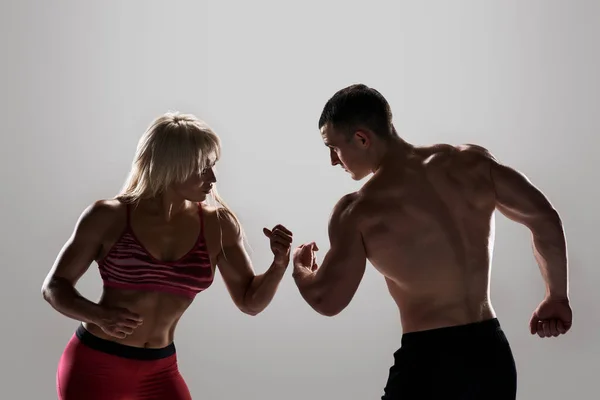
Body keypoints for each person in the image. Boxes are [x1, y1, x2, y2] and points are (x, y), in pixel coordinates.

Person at [291, 84, 572, 399]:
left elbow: (327, 300)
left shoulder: (358, 210)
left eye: (333, 147)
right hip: (490, 355)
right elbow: (544, 218)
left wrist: (300, 269)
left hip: (429, 363)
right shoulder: (470, 163)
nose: (332, 160)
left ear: (361, 138)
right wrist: (557, 297)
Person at [41, 112, 293, 400]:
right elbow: (54, 287)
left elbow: (250, 303)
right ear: (172, 165)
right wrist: (98, 315)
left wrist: (279, 263)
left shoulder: (219, 225)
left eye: (213, 166)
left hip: (160, 370)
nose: (213, 177)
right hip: (96, 364)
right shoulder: (108, 216)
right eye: (203, 167)